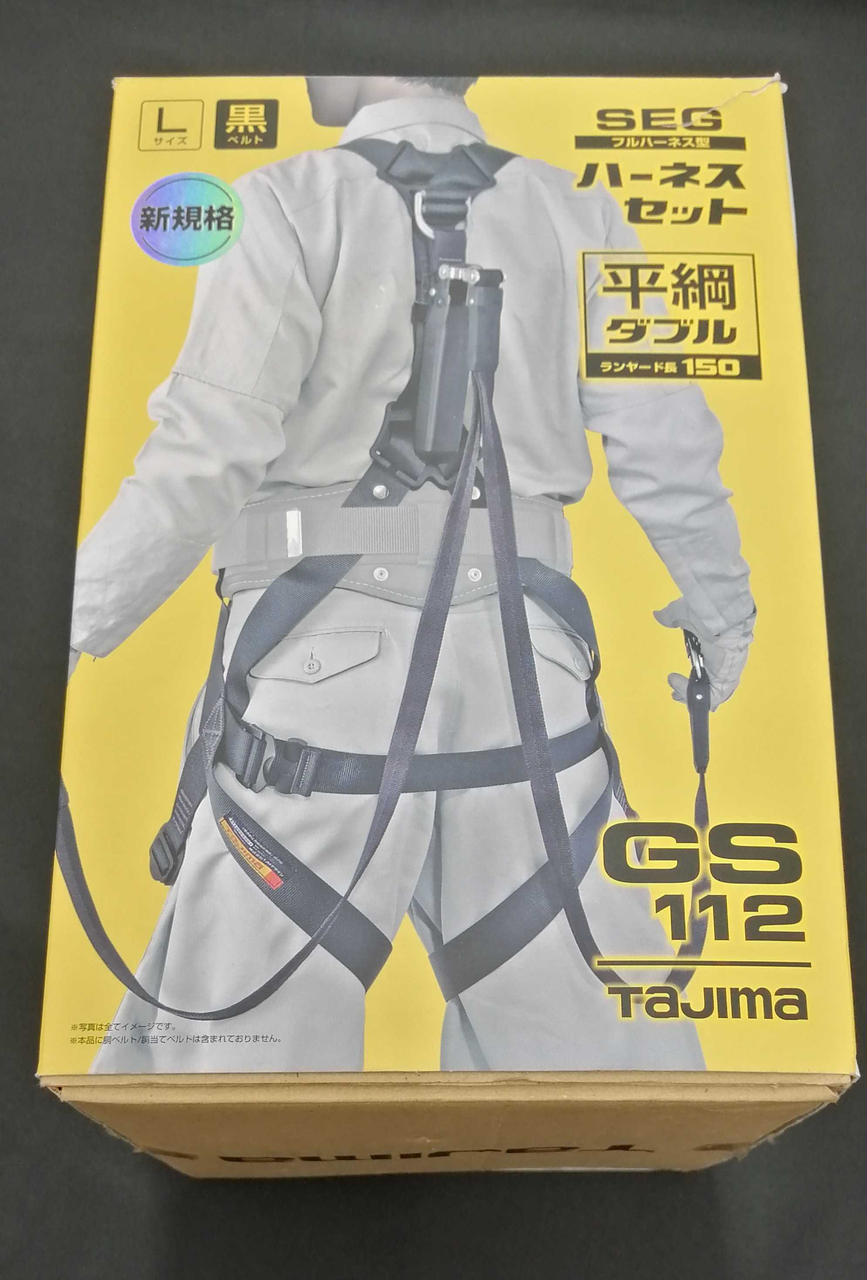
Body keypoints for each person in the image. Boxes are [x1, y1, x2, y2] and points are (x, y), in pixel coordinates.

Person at [68, 76, 755, 1073]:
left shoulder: (283, 199)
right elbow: (671, 447)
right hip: (528, 674)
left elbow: (204, 455)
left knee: (239, 1077)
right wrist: (722, 616)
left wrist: (66, 627)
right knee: (598, 1074)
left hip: (318, 677)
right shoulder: (583, 212)